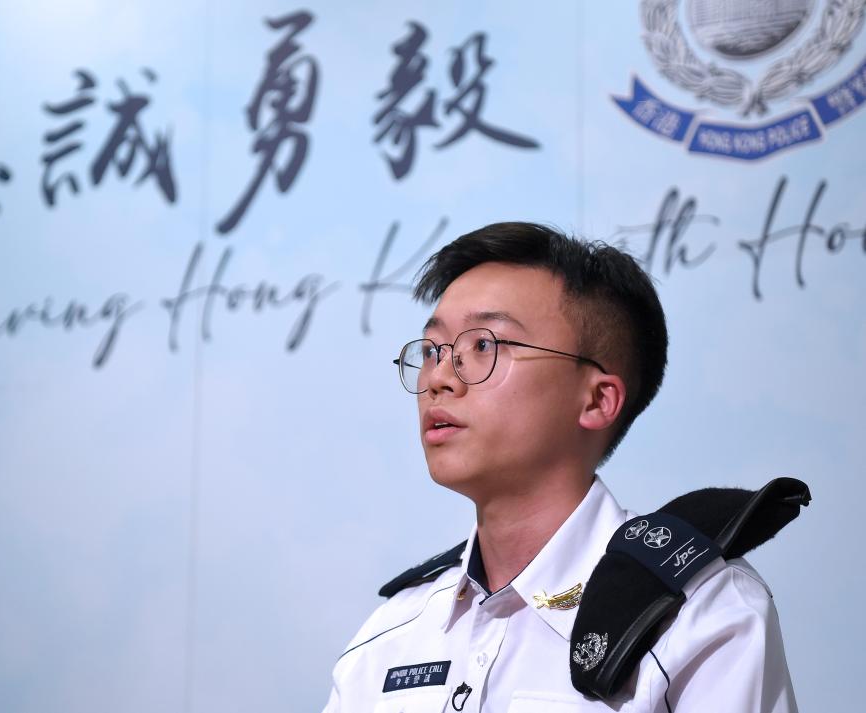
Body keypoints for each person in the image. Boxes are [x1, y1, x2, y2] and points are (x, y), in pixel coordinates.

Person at [323, 222, 796, 712]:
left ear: (597, 400)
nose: (439, 378)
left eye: (483, 345)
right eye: (432, 350)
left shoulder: (701, 614)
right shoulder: (387, 639)